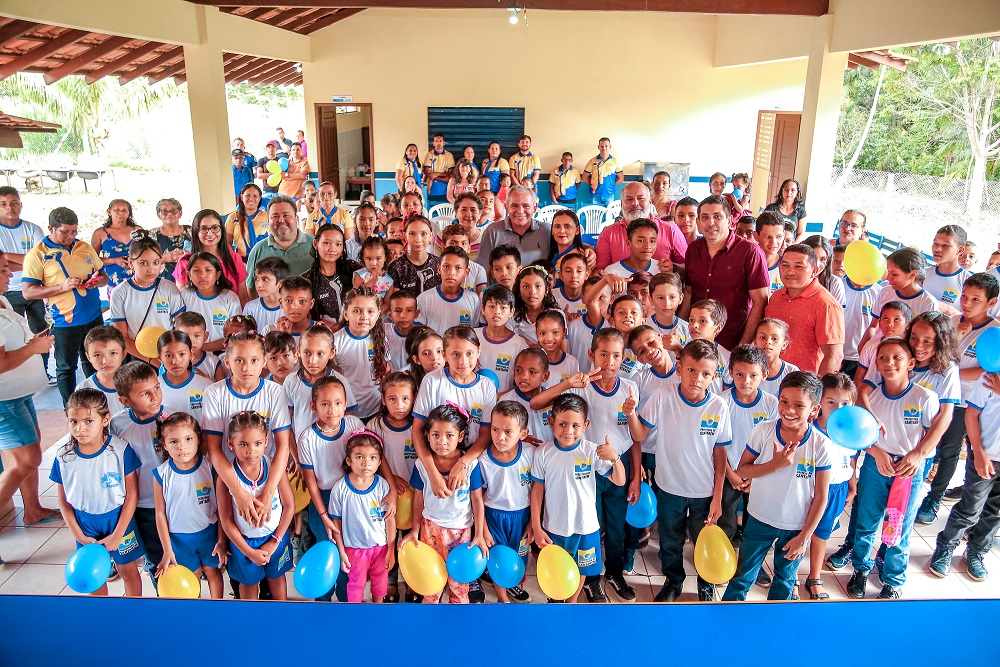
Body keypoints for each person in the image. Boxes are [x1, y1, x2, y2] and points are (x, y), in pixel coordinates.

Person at [626, 340, 731, 602]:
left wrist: (717, 495)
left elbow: (720, 453)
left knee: (702, 540)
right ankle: (674, 582)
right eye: (692, 370)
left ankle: (706, 584)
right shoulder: (664, 395)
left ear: (714, 375)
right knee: (670, 542)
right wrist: (630, 414)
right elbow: (639, 434)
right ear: (679, 368)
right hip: (669, 487)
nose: (697, 378)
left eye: (706, 373)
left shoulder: (719, 406)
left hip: (703, 492)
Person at [721, 372, 832, 601]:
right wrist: (775, 464)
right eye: (784, 401)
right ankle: (729, 616)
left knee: (784, 579)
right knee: (742, 576)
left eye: (799, 405)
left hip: (796, 525)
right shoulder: (763, 430)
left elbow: (821, 496)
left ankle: (774, 622)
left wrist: (805, 536)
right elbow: (743, 469)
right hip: (760, 518)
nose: (789, 410)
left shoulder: (821, 445)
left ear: (814, 409)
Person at [847, 338, 940, 599]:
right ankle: (861, 570)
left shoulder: (924, 397)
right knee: (867, 522)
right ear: (876, 363)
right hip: (876, 466)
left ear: (911, 363)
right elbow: (859, 435)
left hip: (909, 471)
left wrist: (915, 459)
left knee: (899, 526)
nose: (889, 363)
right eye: (883, 358)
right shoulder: (870, 397)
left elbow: (932, 437)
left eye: (897, 357)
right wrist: (876, 453)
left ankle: (893, 579)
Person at [529, 393, 626, 603]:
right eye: (562, 424)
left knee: (583, 567)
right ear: (551, 422)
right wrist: (537, 528)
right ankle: (556, 599)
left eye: (575, 425)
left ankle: (572, 602)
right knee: (556, 568)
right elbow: (537, 491)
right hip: (554, 527)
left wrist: (615, 458)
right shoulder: (543, 453)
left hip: (586, 527)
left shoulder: (591, 451)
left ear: (585, 425)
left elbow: (619, 480)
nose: (568, 431)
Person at [51, 388, 146, 596]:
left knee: (127, 570)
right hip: (84, 524)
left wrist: (118, 534)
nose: (80, 429)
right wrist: (79, 535)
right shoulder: (63, 457)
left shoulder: (121, 450)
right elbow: (64, 502)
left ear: (105, 420)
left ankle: (133, 613)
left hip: (119, 519)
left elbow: (132, 495)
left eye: (88, 421)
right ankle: (101, 615)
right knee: (93, 575)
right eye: (73, 421)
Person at [22, 207, 107, 406]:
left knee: (94, 361)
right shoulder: (38, 254)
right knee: (67, 367)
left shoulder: (84, 247)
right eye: (64, 232)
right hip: (64, 321)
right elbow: (28, 292)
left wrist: (96, 281)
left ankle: (98, 404)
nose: (70, 236)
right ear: (51, 228)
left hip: (93, 316)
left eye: (74, 231)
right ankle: (71, 410)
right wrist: (62, 287)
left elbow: (103, 276)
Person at [0, 248, 57, 534]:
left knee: (25, 452)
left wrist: (33, 341)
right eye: (1, 271)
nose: (10, 274)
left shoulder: (1, 302)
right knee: (28, 460)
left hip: (19, 393)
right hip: (4, 401)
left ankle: (32, 510)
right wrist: (34, 348)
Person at [929, 370, 1000, 581]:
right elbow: (971, 414)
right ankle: (945, 547)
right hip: (986, 454)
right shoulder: (992, 376)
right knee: (971, 507)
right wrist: (978, 452)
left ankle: (976, 551)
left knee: (995, 512)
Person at [217, 411, 295, 600]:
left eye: (257, 443)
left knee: (277, 578)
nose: (251, 450)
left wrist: (274, 541)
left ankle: (280, 618)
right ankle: (249, 622)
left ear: (266, 441)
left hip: (276, 537)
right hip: (244, 543)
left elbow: (289, 505)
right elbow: (226, 519)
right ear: (230, 443)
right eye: (243, 444)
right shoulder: (225, 477)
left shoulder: (274, 468)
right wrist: (249, 552)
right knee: (248, 584)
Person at [152, 412, 227, 598]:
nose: (182, 447)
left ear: (198, 439)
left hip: (209, 534)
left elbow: (221, 508)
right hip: (178, 539)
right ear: (164, 445)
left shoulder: (210, 467)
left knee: (213, 572)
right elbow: (160, 514)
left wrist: (221, 540)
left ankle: (218, 610)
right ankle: (197, 615)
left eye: (188, 439)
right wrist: (167, 549)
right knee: (191, 578)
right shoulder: (161, 474)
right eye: (174, 442)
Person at [681, 195, 769, 350]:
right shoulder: (693, 250)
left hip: (733, 340)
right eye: (705, 217)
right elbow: (689, 292)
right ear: (698, 223)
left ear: (729, 221)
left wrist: (744, 344)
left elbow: (760, 301)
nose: (710, 223)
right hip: (696, 339)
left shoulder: (750, 252)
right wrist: (680, 331)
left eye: (717, 217)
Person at [329, 430, 396, 603]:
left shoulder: (382, 486)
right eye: (360, 457)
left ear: (380, 462)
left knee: (380, 582)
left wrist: (391, 548)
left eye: (373, 458)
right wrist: (342, 551)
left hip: (380, 548)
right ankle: (355, 615)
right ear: (349, 461)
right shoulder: (340, 489)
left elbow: (389, 520)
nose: (366, 463)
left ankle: (377, 610)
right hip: (354, 549)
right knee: (356, 584)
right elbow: (336, 523)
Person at [479, 400, 534, 603]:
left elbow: (538, 491)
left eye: (508, 431)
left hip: (522, 515)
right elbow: (476, 498)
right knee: (498, 557)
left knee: (519, 555)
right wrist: (483, 528)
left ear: (523, 433)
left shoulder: (531, 454)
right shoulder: (483, 460)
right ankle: (503, 598)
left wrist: (532, 523)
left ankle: (513, 585)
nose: (500, 437)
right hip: (494, 516)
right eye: (495, 429)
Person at [764, 244, 845, 374]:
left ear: (814, 270)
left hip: (803, 386)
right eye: (785, 265)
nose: (790, 271)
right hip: (769, 379)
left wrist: (818, 390)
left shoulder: (826, 304)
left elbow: (834, 356)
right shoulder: (776, 297)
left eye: (799, 266)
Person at [107, 235, 186, 362]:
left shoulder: (169, 288)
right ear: (131, 263)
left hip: (169, 356)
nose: (151, 269)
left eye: (156, 262)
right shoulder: (120, 293)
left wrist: (170, 357)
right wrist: (151, 360)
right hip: (137, 357)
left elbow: (182, 326)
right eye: (143, 263)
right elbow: (122, 336)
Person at [0, 187, 48, 381]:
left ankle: (44, 371)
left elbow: (42, 258)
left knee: (39, 332)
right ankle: (16, 376)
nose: (9, 208)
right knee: (14, 338)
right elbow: (32, 260)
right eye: (3, 204)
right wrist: (29, 260)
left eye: (14, 203)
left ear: (21, 204)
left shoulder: (33, 228)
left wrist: (6, 257)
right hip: (8, 293)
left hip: (34, 288)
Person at [595, 182, 687, 273]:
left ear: (650, 202)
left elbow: (688, 269)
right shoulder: (608, 234)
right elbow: (600, 271)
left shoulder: (671, 231)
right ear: (621, 204)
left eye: (641, 198)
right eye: (629, 199)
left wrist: (673, 267)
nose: (635, 203)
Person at [174, 209, 248, 302]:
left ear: (221, 229)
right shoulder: (185, 262)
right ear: (196, 232)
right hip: (194, 315)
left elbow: (243, 296)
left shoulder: (234, 259)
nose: (209, 233)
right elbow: (179, 302)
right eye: (204, 228)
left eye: (215, 227)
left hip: (231, 315)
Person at [245, 197, 316, 291]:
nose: (281, 220)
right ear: (268, 221)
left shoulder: (316, 245)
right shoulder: (258, 250)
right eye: (275, 216)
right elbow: (250, 287)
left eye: (286, 215)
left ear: (296, 218)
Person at [476, 186, 550, 274]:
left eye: (526, 206)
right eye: (514, 205)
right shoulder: (492, 232)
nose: (520, 211)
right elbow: (484, 270)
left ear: (534, 208)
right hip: (500, 287)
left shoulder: (547, 231)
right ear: (506, 207)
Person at [92, 199, 139, 291]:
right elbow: (92, 261)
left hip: (138, 282)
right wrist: (115, 260)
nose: (120, 213)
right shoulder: (100, 233)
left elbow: (147, 254)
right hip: (114, 284)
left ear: (129, 213)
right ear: (109, 212)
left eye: (124, 210)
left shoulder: (137, 230)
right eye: (116, 210)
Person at [924, 225, 971, 314]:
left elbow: (974, 320)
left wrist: (950, 311)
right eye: (935, 243)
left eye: (945, 245)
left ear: (960, 250)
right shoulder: (922, 274)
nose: (937, 249)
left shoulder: (968, 281)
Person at [150, 198, 191, 281]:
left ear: (180, 213)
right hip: (162, 283)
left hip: (189, 280)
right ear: (158, 215)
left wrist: (189, 256)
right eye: (164, 211)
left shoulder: (191, 232)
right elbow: (144, 261)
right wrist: (164, 258)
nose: (169, 214)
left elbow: (204, 254)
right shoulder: (152, 235)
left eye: (173, 210)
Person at [582, 138, 623, 208]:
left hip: (609, 195)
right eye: (602, 146)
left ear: (610, 146)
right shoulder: (592, 161)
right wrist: (593, 185)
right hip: (595, 195)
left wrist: (612, 185)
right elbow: (584, 177)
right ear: (598, 147)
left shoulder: (615, 161)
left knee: (609, 216)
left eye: (606, 146)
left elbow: (621, 178)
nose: (604, 148)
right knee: (594, 215)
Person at [424, 134, 455, 205]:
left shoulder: (449, 155)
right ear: (433, 143)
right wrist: (444, 178)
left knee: (446, 211)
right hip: (432, 189)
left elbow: (451, 172)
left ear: (444, 143)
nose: (438, 143)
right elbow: (428, 173)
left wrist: (436, 174)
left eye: (440, 141)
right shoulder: (429, 155)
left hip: (446, 189)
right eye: (436, 141)